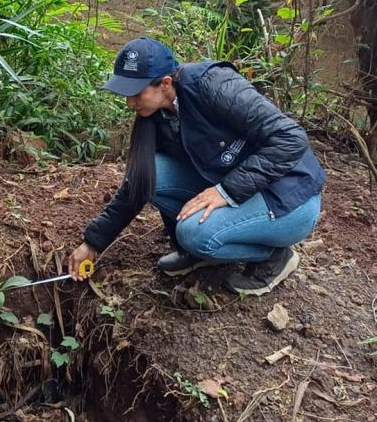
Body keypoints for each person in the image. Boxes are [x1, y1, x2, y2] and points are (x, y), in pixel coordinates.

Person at [68, 37, 325, 296]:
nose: (130, 103)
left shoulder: (214, 84)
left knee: (195, 235)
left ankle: (274, 257)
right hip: (239, 185)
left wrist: (226, 191)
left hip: (289, 196)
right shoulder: (158, 115)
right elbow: (138, 184)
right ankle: (200, 254)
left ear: (165, 83)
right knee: (151, 174)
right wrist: (93, 242)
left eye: (136, 94)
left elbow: (291, 139)